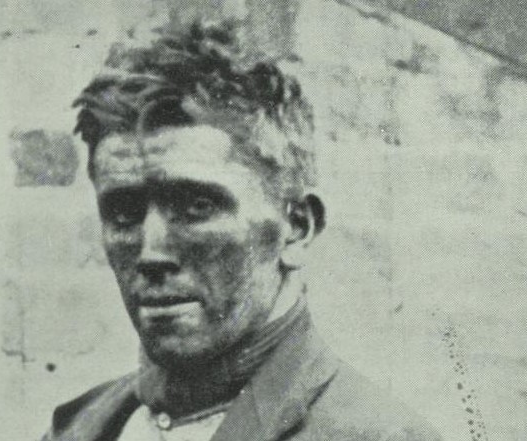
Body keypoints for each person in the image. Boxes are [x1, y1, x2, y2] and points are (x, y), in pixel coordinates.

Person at [41, 21, 442, 441]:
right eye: (123, 213)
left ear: (296, 228)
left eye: (197, 206)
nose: (151, 252)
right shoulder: (78, 429)